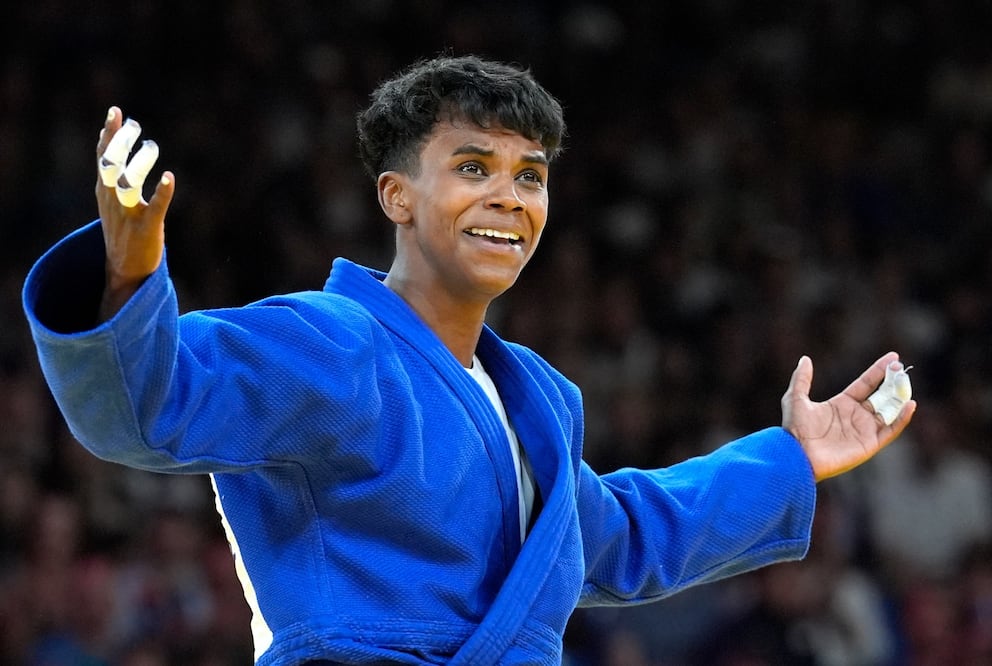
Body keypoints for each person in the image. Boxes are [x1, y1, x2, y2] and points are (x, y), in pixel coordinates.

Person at [22, 55, 915, 665]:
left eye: (530, 175)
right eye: (474, 166)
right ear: (397, 196)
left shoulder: (538, 404)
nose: (509, 196)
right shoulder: (332, 342)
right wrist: (131, 278)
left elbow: (627, 539)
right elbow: (151, 405)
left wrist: (793, 458)